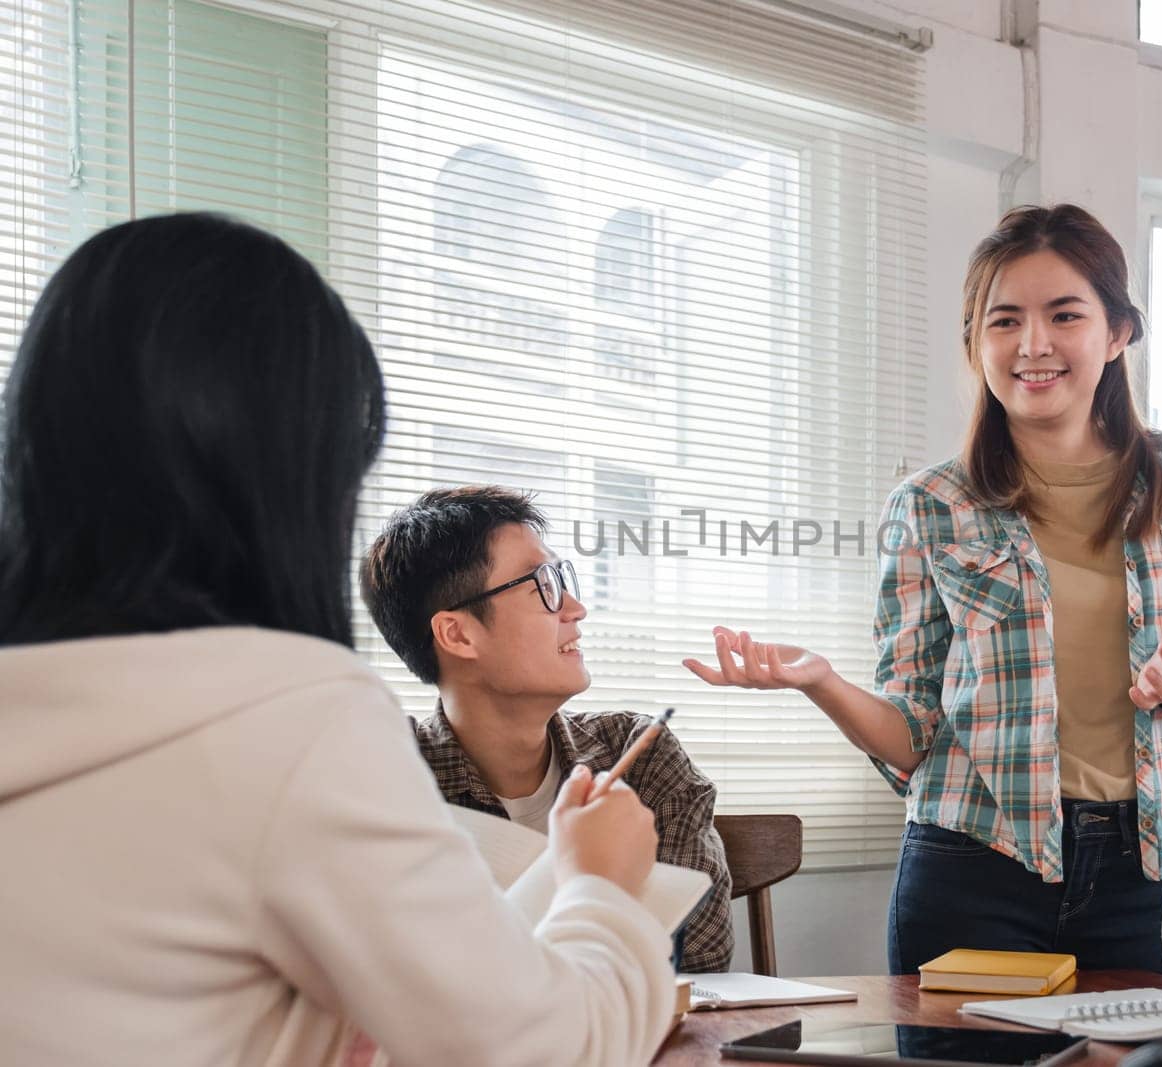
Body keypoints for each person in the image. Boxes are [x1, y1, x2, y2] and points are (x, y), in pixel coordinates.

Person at [0, 213, 677, 1066]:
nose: (574, 610)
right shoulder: (288, 721)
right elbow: (538, 1046)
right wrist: (600, 887)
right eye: (544, 585)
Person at [685, 204, 1162, 975]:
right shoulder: (930, 505)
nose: (1033, 345)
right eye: (1004, 320)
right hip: (973, 868)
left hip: (1157, 874)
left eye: (1065, 315)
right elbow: (912, 733)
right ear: (974, 341)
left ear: (1118, 332)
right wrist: (820, 681)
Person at [360, 484, 735, 972]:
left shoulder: (640, 755)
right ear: (458, 633)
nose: (576, 608)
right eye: (543, 585)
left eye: (562, 577)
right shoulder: (388, 780)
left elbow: (700, 958)